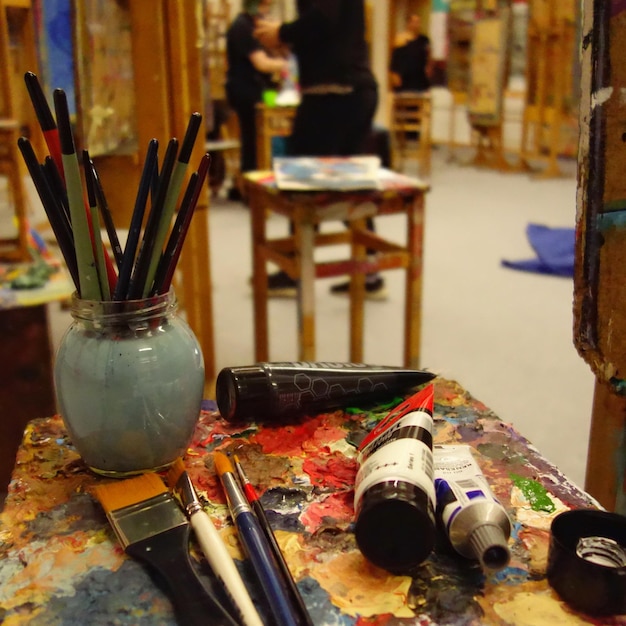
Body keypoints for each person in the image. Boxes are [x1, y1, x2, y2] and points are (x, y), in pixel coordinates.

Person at [255, 0, 386, 299]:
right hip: (348, 92)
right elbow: (327, 27)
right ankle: (369, 269)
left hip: (334, 95)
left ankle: (296, 269)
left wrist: (283, 32)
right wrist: (291, 42)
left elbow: (323, 19)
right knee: (353, 187)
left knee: (301, 183)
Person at [225, 0, 287, 184]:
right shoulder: (242, 27)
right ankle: (249, 186)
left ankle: (249, 183)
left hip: (258, 89)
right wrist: (290, 66)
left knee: (255, 139)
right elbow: (262, 63)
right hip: (246, 91)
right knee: (252, 140)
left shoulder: (252, 26)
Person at [390, 14, 432, 93]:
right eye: (413, 22)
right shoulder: (400, 39)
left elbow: (428, 55)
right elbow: (395, 60)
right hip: (404, 77)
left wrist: (429, 67)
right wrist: (395, 75)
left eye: (418, 22)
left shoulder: (424, 40)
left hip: (420, 77)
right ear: (408, 23)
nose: (416, 24)